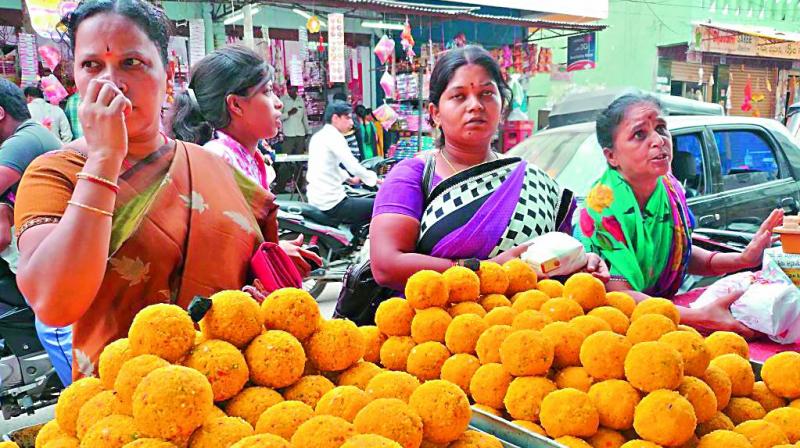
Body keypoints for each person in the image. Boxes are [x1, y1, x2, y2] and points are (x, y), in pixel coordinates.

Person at [14, 0, 284, 380]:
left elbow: (252, 271)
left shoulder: (211, 167)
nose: (111, 82)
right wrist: (104, 159)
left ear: (169, 73)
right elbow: (54, 304)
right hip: (125, 405)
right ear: (74, 77)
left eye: (131, 63)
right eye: (92, 65)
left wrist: (260, 294)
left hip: (231, 390)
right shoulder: (56, 174)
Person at [369, 46, 608, 291]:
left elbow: (557, 259)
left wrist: (583, 263)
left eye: (486, 93)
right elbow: (387, 265)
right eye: (459, 96)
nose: (475, 105)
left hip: (529, 323)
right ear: (435, 113)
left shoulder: (535, 182)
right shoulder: (413, 176)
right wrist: (484, 269)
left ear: (502, 107)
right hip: (439, 324)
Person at [574, 91, 783, 336]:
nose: (658, 140)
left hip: (660, 320)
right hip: (609, 331)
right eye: (640, 134)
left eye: (661, 128)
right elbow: (620, 297)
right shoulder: (602, 207)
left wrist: (742, 260)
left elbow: (677, 252)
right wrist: (700, 317)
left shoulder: (669, 187)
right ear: (612, 156)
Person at [169, 45, 320, 274]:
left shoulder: (245, 156)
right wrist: (272, 252)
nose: (278, 102)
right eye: (268, 91)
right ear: (236, 105)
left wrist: (275, 248)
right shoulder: (218, 159)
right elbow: (219, 251)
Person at [306, 100, 379, 228]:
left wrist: (350, 179)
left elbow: (329, 167)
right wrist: (376, 180)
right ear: (335, 118)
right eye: (347, 118)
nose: (351, 122)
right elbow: (353, 165)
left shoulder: (319, 136)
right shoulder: (334, 137)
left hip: (317, 198)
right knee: (378, 205)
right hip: (332, 203)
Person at [279, 84, 310, 155]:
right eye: (288, 88)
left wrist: (307, 131)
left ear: (296, 89)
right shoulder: (283, 100)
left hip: (300, 134)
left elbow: (304, 117)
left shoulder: (300, 100)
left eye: (291, 89)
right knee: (286, 158)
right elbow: (278, 117)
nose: (289, 91)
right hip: (288, 134)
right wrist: (288, 113)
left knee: (299, 158)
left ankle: (298, 166)